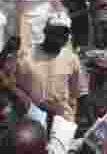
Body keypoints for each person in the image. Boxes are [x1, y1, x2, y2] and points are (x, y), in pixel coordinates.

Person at [15, 11, 86, 144]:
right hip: (33, 124)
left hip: (63, 122)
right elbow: (18, 89)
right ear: (45, 31)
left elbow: (78, 94)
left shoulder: (72, 59)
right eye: (55, 31)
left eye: (63, 32)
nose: (59, 36)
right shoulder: (26, 57)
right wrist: (40, 106)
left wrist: (78, 124)